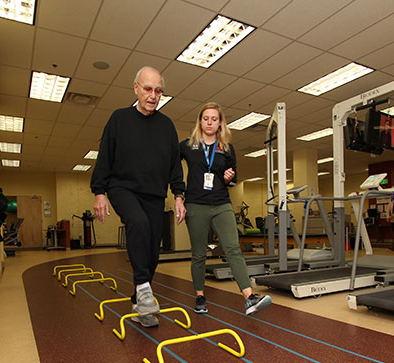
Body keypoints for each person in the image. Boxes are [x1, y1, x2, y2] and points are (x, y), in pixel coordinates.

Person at [90, 66, 186, 328]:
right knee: (138, 223)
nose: (153, 95)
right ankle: (144, 289)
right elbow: (104, 157)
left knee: (153, 249)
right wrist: (100, 192)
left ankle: (139, 299)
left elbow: (174, 166)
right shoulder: (119, 119)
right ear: (136, 88)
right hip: (123, 189)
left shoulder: (166, 126)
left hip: (154, 194)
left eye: (158, 91)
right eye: (147, 89)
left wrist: (178, 195)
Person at [179, 102, 271, 315]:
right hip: (196, 204)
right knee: (199, 254)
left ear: (220, 123)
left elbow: (233, 178)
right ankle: (200, 297)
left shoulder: (227, 149)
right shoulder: (186, 145)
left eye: (214, 119)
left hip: (221, 203)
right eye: (206, 118)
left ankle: (249, 297)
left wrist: (229, 179)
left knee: (233, 249)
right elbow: (172, 166)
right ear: (200, 121)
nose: (209, 122)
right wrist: (178, 195)